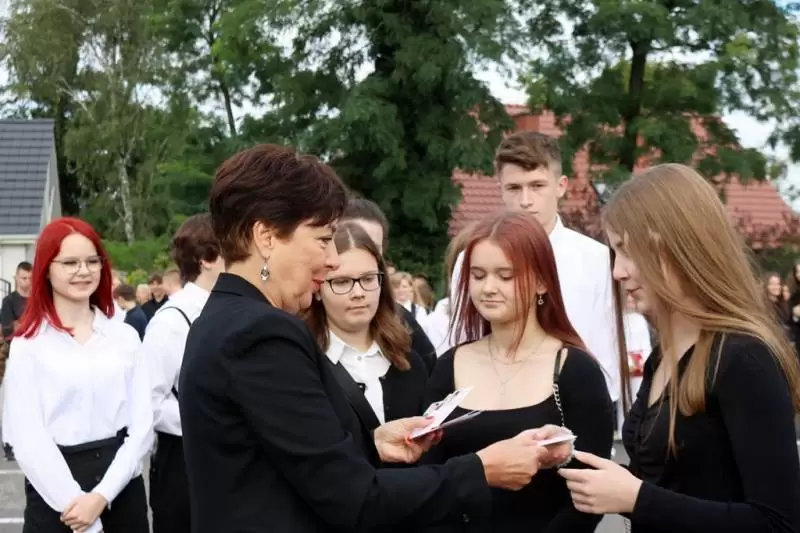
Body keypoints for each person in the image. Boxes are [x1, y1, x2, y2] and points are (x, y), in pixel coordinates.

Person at [178, 144, 573, 533]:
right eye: (322, 239)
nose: (332, 259)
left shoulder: (221, 319)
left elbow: (284, 456)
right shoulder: (260, 334)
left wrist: (371, 444)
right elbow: (352, 499)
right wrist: (481, 470)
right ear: (266, 237)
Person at [559, 164, 800, 533]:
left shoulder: (743, 359)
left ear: (675, 246)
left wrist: (637, 499)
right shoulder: (664, 356)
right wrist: (571, 464)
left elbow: (779, 523)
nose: (618, 272)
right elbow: (673, 485)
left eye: (627, 251)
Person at [422, 211, 613, 532]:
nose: (488, 288)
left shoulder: (575, 370)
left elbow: (590, 489)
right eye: (478, 275)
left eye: (505, 276)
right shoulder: (448, 366)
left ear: (541, 281)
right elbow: (429, 475)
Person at [2, 217, 153, 533]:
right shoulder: (29, 345)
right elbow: (27, 437)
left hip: (121, 491)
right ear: (47, 269)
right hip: (55, 498)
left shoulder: (125, 338)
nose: (83, 271)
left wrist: (101, 497)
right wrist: (78, 506)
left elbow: (142, 427)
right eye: (70, 262)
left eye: (92, 261)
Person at [449, 132, 619, 410]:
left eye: (537, 186)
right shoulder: (470, 260)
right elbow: (462, 339)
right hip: (489, 403)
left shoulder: (596, 260)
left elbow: (608, 348)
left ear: (561, 186)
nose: (526, 200)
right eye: (514, 188)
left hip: (577, 405)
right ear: (500, 189)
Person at [302, 222, 429, 428]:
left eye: (368, 279)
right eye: (342, 282)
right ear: (317, 289)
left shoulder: (409, 361)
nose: (358, 293)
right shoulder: (301, 363)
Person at [143, 214, 224, 533]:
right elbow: (150, 401)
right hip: (184, 460)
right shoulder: (171, 321)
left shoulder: (234, 306)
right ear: (206, 259)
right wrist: (212, 419)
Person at [340, 197, 438, 372]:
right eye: (352, 242)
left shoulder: (403, 324)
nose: (362, 255)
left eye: (372, 248)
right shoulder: (303, 331)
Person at [1, 261, 32, 338]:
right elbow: (7, 331)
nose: (28, 282)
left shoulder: (38, 299)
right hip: (18, 342)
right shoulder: (8, 301)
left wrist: (20, 325)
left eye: (31, 278)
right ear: (16, 278)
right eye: (24, 278)